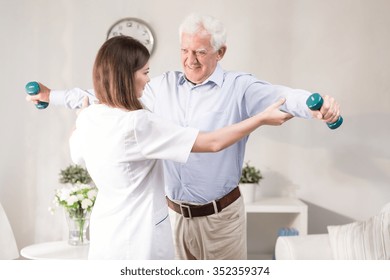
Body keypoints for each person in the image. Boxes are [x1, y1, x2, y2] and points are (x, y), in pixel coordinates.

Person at [27, 13, 341, 260]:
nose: (190, 59)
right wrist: (52, 96)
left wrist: (317, 106)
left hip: (220, 219)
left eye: (200, 52)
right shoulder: (158, 88)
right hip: (171, 218)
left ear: (221, 52)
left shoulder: (239, 87)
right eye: (184, 50)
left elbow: (283, 96)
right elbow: (109, 99)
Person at [70, 35, 293, 259]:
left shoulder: (89, 117)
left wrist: (81, 116)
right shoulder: (138, 124)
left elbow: (77, 153)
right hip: (139, 239)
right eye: (145, 73)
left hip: (106, 236)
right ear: (126, 76)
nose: (149, 81)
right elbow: (213, 142)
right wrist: (261, 119)